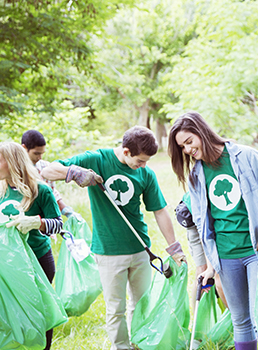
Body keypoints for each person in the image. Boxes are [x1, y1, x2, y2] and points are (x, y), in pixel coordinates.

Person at [41, 126, 187, 350]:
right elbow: (47, 171)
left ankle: (140, 343)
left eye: (147, 161)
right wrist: (76, 173)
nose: (144, 166)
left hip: (140, 249)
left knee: (142, 304)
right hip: (108, 251)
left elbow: (160, 211)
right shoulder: (97, 159)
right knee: (115, 307)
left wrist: (174, 248)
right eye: (140, 160)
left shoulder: (145, 173)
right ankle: (121, 347)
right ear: (126, 151)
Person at [168, 111, 258, 350]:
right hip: (226, 256)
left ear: (202, 132)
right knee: (240, 320)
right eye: (182, 146)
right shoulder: (196, 176)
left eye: (189, 141)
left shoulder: (245, 156)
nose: (188, 149)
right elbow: (205, 223)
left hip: (257, 251)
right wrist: (211, 265)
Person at [0, 142, 63, 350]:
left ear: (11, 162)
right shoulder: (1, 190)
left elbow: (58, 224)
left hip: (37, 260)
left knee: (40, 310)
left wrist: (38, 222)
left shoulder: (40, 190)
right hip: (8, 266)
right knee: (11, 311)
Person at [175, 191, 228, 308]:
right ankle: (198, 320)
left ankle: (231, 317)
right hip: (196, 219)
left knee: (221, 270)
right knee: (203, 272)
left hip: (217, 217)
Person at [21, 130, 78, 218]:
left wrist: (66, 210)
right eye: (36, 153)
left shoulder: (45, 167)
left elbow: (52, 193)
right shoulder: (13, 170)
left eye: (42, 153)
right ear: (24, 148)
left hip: (45, 222)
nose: (39, 158)